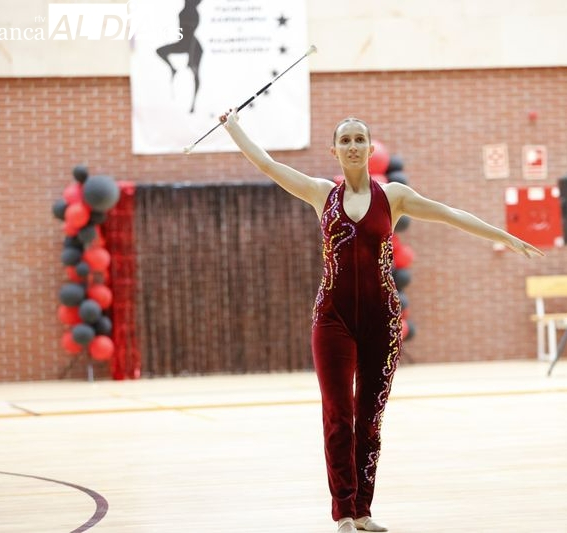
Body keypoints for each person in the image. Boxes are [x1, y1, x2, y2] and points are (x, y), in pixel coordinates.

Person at [219, 109, 543, 533]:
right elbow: (268, 164)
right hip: (332, 320)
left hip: (382, 320)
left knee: (369, 419)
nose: (353, 146)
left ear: (370, 149)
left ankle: (365, 511)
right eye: (345, 140)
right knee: (338, 415)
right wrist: (233, 126)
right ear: (334, 150)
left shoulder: (394, 196)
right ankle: (344, 514)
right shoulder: (321, 194)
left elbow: (450, 213)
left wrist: (503, 235)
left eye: (360, 139)